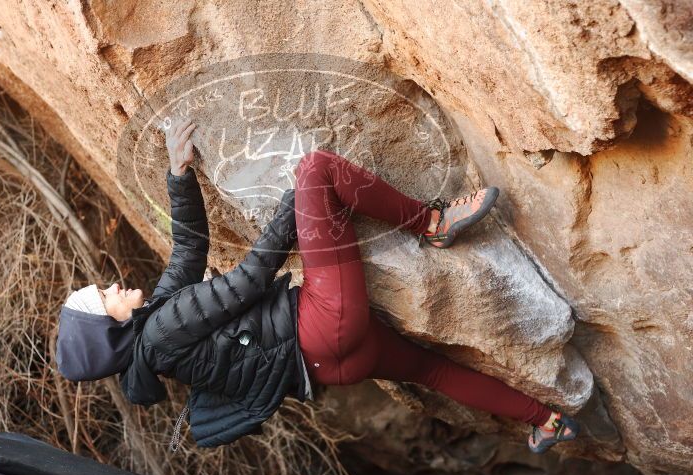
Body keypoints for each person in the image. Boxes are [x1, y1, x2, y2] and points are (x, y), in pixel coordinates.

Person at [56, 118, 580, 453]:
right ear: (111, 328)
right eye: (103, 297)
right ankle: (431, 224)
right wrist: (295, 205)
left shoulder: (157, 337)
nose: (111, 285)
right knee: (316, 170)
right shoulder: (165, 329)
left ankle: (547, 420)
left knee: (436, 372)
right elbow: (251, 278)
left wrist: (179, 175)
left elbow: (190, 250)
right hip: (323, 326)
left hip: (330, 368)